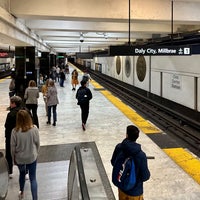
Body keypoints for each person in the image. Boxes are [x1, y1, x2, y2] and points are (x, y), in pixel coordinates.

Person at [111, 125, 150, 200]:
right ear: (137, 137)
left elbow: (113, 162)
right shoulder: (141, 155)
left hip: (122, 187)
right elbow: (145, 177)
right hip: (135, 192)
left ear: (126, 135)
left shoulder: (119, 147)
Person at [10, 109, 40, 200]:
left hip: (20, 158)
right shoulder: (34, 128)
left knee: (22, 173)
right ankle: (35, 198)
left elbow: (12, 147)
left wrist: (13, 158)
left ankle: (21, 191)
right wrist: (36, 153)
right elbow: (37, 143)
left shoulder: (14, 131)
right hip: (31, 156)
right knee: (33, 178)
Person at [4, 96, 22, 178]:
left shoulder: (11, 114)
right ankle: (25, 172)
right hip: (23, 136)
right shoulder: (26, 111)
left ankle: (10, 171)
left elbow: (6, 126)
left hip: (11, 137)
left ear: (13, 103)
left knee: (9, 154)